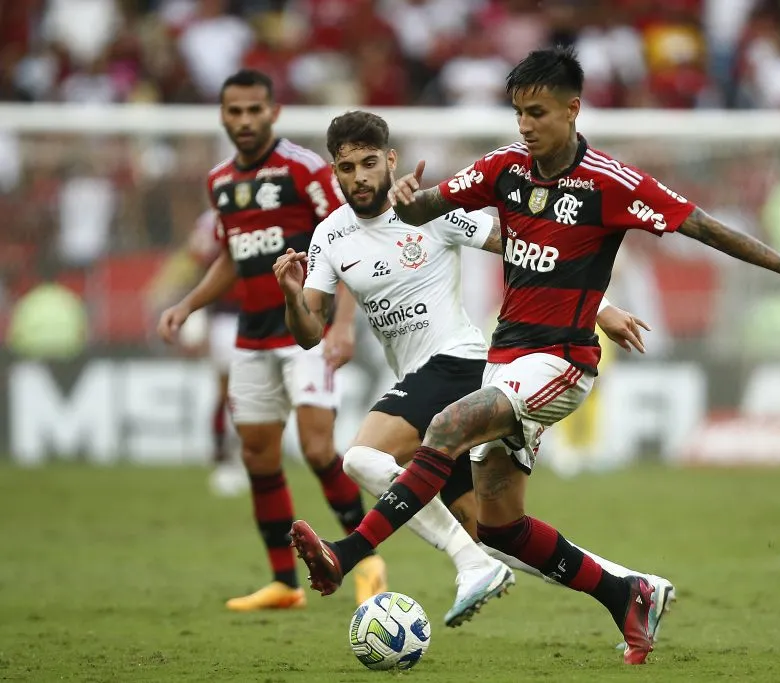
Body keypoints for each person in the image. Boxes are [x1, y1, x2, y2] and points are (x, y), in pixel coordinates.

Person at [290, 48, 780, 664]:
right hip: (506, 362)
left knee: (445, 426)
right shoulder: (504, 168)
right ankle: (629, 594)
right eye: (518, 113)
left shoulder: (612, 184)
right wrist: (408, 198)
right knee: (501, 529)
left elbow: (702, 227)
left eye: (537, 112)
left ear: (573, 109)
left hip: (561, 363)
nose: (525, 126)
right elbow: (424, 211)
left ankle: (345, 554)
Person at [273, 110, 675, 630]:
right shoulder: (330, 237)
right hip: (416, 376)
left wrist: (600, 307)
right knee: (495, 532)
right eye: (347, 168)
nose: (360, 177)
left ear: (389, 160)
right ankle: (630, 590)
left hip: (461, 362)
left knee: (363, 458)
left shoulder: (427, 210)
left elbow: (526, 253)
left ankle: (454, 565)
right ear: (335, 172)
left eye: (370, 163)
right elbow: (309, 332)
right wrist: (289, 294)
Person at [156, 69, 385, 612]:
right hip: (250, 337)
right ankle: (285, 582)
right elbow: (234, 258)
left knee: (316, 447)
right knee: (258, 457)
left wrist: (346, 323)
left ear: (273, 112)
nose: (244, 120)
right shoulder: (219, 182)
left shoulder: (304, 169)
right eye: (234, 112)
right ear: (223, 116)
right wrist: (188, 303)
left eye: (254, 110)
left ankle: (365, 557)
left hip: (307, 330)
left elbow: (348, 240)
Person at [148, 208, 248, 497]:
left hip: (229, 319)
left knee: (231, 392)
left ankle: (227, 457)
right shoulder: (253, 211)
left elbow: (198, 260)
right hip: (236, 317)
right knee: (239, 393)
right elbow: (203, 263)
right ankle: (230, 458)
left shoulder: (209, 220)